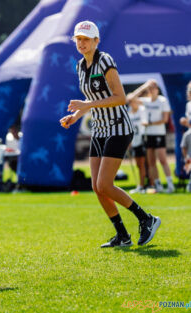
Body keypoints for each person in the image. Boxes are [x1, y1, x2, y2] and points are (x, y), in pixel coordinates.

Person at [60, 21, 161, 248]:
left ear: (97, 41)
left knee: (104, 184)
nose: (82, 43)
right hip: (100, 130)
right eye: (79, 39)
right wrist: (75, 116)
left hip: (118, 128)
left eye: (86, 39)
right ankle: (122, 235)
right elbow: (92, 103)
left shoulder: (104, 60)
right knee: (97, 187)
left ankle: (146, 219)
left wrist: (85, 106)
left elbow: (120, 97)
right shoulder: (79, 66)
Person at [127, 80, 175, 193]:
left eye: (154, 88)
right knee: (151, 161)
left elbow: (165, 119)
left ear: (157, 90)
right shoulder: (146, 101)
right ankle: (157, 185)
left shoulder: (162, 101)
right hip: (148, 134)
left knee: (162, 159)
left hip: (158, 133)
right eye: (150, 88)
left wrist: (149, 124)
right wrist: (144, 86)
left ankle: (170, 184)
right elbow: (130, 98)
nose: (152, 90)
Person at [127, 95, 147, 194]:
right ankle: (140, 185)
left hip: (142, 139)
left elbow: (144, 122)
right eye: (130, 102)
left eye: (132, 101)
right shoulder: (129, 114)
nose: (131, 103)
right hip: (135, 141)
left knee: (143, 163)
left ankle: (144, 185)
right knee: (138, 164)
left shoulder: (142, 110)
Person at [180, 124, 191, 192]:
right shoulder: (187, 134)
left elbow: (183, 148)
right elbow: (183, 147)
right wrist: (186, 158)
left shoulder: (186, 134)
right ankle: (189, 187)